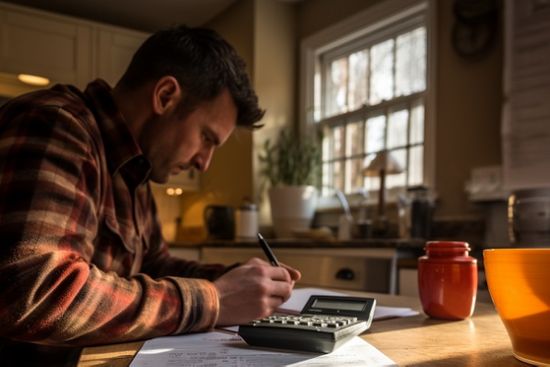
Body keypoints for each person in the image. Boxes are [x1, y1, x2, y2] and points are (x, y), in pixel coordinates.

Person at [0, 25, 301, 366]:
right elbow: (37, 292)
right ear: (165, 96)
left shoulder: (135, 170)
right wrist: (213, 299)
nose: (204, 164)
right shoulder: (57, 124)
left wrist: (238, 279)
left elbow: (155, 265)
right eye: (206, 137)